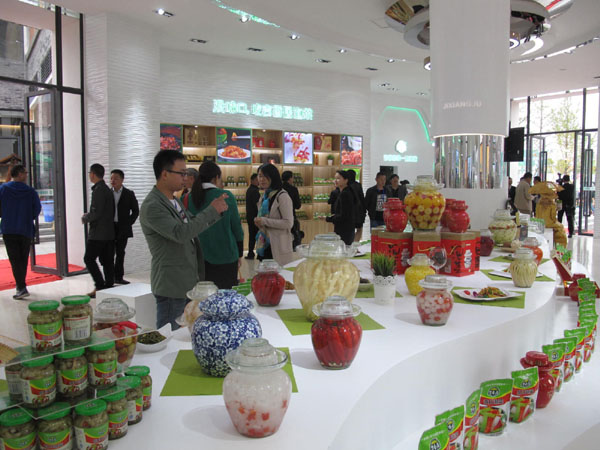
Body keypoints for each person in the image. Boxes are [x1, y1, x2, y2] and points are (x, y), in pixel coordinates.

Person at [140, 150, 228, 329]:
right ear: (164, 174)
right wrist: (211, 210)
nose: (185, 177)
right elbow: (181, 233)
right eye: (181, 173)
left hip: (185, 280)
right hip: (172, 284)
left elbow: (192, 224)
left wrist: (215, 212)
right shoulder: (153, 206)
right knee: (170, 336)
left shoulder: (174, 200)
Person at [187, 161, 244, 289]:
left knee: (204, 298)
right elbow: (236, 227)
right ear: (216, 178)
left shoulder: (187, 198)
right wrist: (239, 253)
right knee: (225, 297)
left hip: (199, 258)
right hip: (226, 256)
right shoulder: (225, 196)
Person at [0, 165, 41, 299]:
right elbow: (37, 209)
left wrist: (5, 214)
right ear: (18, 174)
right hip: (25, 229)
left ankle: (21, 287)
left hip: (9, 229)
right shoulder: (30, 191)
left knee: (14, 259)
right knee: (23, 259)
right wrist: (28, 217)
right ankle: (21, 286)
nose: (27, 175)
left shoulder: (4, 189)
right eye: (25, 173)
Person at [82, 163, 115, 298]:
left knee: (89, 258)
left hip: (98, 233)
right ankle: (109, 286)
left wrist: (86, 217)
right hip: (108, 232)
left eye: (90, 173)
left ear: (93, 174)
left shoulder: (99, 190)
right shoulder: (106, 189)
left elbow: (96, 212)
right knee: (107, 261)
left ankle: (100, 285)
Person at [254, 163, 294, 266]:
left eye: (265, 176)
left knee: (278, 279)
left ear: (273, 177)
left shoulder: (282, 196)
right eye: (260, 176)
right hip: (264, 245)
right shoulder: (264, 196)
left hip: (278, 247)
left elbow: (288, 223)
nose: (261, 179)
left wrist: (264, 221)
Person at [110, 169, 139, 285]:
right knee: (109, 253)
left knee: (120, 253)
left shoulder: (128, 193)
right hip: (109, 227)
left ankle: (119, 277)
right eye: (111, 178)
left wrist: (128, 223)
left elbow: (136, 211)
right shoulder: (107, 193)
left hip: (123, 228)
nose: (113, 180)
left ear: (122, 180)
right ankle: (110, 277)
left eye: (116, 178)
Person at [326, 170, 356, 245]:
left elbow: (344, 215)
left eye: (338, 178)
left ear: (346, 180)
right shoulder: (344, 192)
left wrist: (328, 218)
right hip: (347, 228)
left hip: (344, 229)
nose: (335, 181)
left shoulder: (345, 194)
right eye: (335, 178)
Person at [282, 170, 304, 249]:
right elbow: (298, 205)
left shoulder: (279, 188)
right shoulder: (293, 189)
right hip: (291, 216)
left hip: (279, 217)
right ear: (290, 178)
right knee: (293, 236)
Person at [346, 170, 366, 241]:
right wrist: (364, 212)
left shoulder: (345, 186)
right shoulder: (358, 185)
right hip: (358, 212)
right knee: (359, 230)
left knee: (348, 231)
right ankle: (355, 245)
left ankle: (349, 245)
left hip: (348, 213)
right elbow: (362, 199)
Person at [245, 173, 261, 259]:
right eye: (257, 179)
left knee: (252, 236)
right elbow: (257, 205)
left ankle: (250, 253)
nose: (258, 181)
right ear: (252, 180)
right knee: (258, 236)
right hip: (255, 217)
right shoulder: (255, 191)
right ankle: (259, 253)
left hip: (249, 216)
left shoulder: (249, 189)